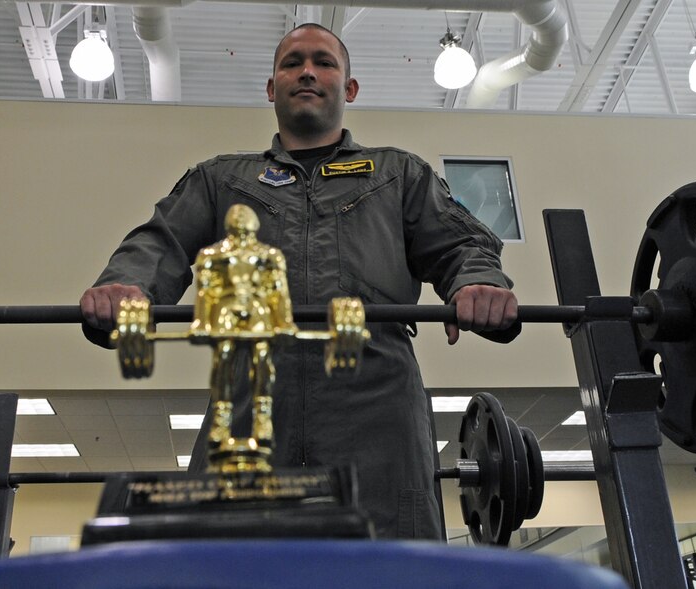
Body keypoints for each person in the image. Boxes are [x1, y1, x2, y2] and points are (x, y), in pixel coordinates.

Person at [80, 23, 519, 540]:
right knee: (226, 566)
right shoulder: (222, 179)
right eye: (292, 63)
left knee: (390, 568)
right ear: (272, 88)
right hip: (251, 402)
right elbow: (158, 243)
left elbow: (462, 244)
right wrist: (127, 285)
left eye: (324, 62)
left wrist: (477, 281)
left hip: (378, 411)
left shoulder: (398, 175)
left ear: (348, 88)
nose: (307, 71)